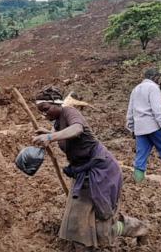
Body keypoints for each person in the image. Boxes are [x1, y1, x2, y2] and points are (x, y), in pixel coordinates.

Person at [32, 86, 148, 251]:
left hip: (101, 170)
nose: (44, 114)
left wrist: (51, 137)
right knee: (78, 221)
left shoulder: (69, 112)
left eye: (45, 109)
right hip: (82, 172)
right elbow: (62, 131)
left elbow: (77, 129)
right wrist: (48, 132)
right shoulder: (57, 121)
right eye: (41, 111)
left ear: (57, 103)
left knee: (102, 223)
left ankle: (139, 228)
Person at [126, 68, 161, 190]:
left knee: (141, 156)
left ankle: (138, 183)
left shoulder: (135, 89)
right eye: (159, 78)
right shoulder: (153, 88)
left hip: (140, 128)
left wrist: (132, 129)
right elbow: (158, 112)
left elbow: (130, 112)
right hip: (154, 127)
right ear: (155, 77)